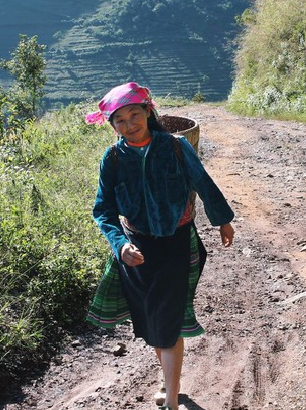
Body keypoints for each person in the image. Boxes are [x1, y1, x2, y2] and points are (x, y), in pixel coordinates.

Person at [84, 82, 235, 410]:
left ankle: (171, 398)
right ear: (112, 126)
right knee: (152, 322)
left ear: (148, 112)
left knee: (166, 323)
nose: (129, 124)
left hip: (174, 244)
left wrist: (222, 219)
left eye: (134, 114)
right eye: (119, 120)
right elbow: (103, 210)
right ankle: (170, 383)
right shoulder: (112, 159)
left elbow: (203, 183)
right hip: (136, 250)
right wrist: (120, 245)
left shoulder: (176, 147)